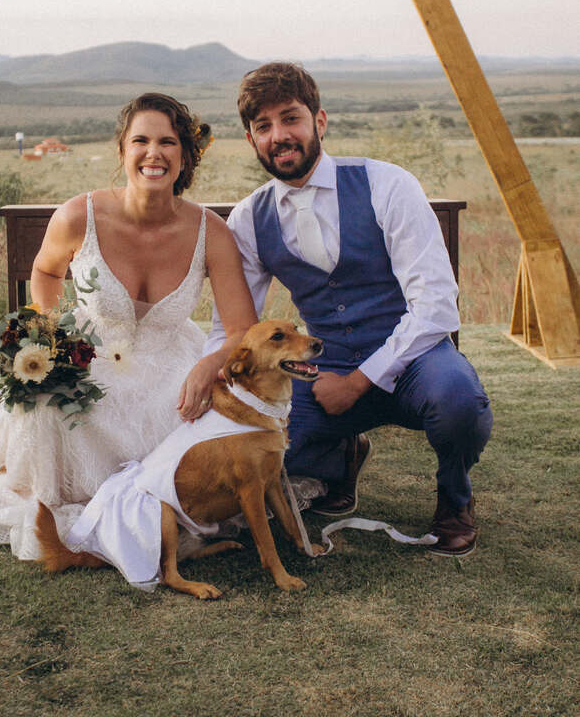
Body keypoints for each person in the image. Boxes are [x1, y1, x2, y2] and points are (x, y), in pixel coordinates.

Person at [0, 93, 257, 559]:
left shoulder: (210, 232)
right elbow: (46, 269)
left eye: (168, 142)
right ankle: (71, 504)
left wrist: (207, 366)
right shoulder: (79, 215)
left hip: (172, 369)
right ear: (122, 150)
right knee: (47, 403)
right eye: (141, 141)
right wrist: (50, 334)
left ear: (185, 155)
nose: (153, 153)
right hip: (92, 356)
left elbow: (241, 328)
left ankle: (151, 507)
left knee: (203, 420)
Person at [205, 62, 493, 556]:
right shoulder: (250, 217)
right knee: (272, 448)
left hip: (415, 357)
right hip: (323, 363)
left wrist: (358, 382)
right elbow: (234, 325)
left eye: (290, 118)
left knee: (460, 404)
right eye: (263, 126)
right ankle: (339, 458)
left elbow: (436, 306)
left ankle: (455, 499)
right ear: (251, 140)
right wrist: (213, 381)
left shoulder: (387, 183)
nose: (279, 136)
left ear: (319, 121)